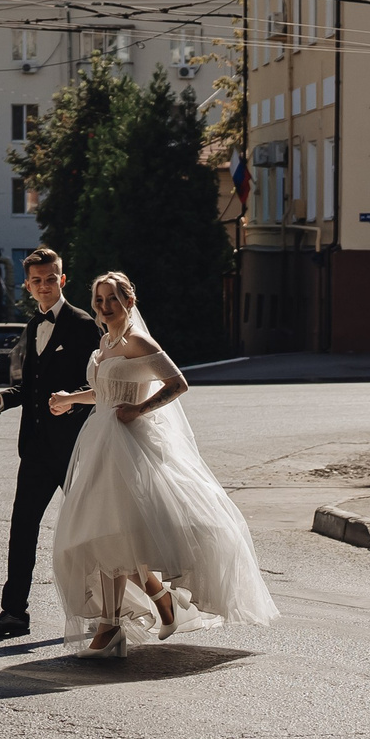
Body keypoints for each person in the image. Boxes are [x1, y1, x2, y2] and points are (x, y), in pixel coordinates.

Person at [45, 271, 280, 657]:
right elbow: (105, 392)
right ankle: (145, 606)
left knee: (116, 532)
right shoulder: (104, 343)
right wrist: (71, 399)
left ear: (129, 302)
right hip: (98, 443)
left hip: (129, 447)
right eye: (100, 300)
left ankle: (112, 626)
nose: (105, 307)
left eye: (112, 300)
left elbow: (177, 383)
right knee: (102, 533)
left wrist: (139, 409)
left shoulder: (138, 341)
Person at [0, 248, 103, 642]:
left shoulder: (83, 325)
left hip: (75, 448)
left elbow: (99, 384)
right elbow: (29, 387)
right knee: (22, 527)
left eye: (51, 278)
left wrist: (70, 399)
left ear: (62, 280)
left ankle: (106, 610)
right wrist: (1, 398)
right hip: (35, 448)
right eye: (36, 280)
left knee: (91, 528)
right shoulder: (31, 327)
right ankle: (14, 612)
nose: (44, 286)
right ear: (27, 286)